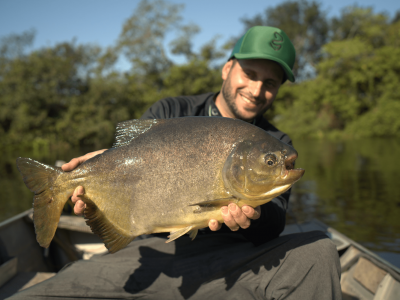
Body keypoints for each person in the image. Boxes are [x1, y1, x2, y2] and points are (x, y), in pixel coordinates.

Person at [11, 26, 342, 300]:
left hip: (235, 260)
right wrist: (94, 187)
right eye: (250, 73)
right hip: (152, 254)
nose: (256, 89)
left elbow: (275, 223)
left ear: (278, 89)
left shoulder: (278, 144)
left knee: (320, 252)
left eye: (270, 83)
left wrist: (252, 215)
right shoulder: (169, 110)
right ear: (228, 68)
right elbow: (123, 157)